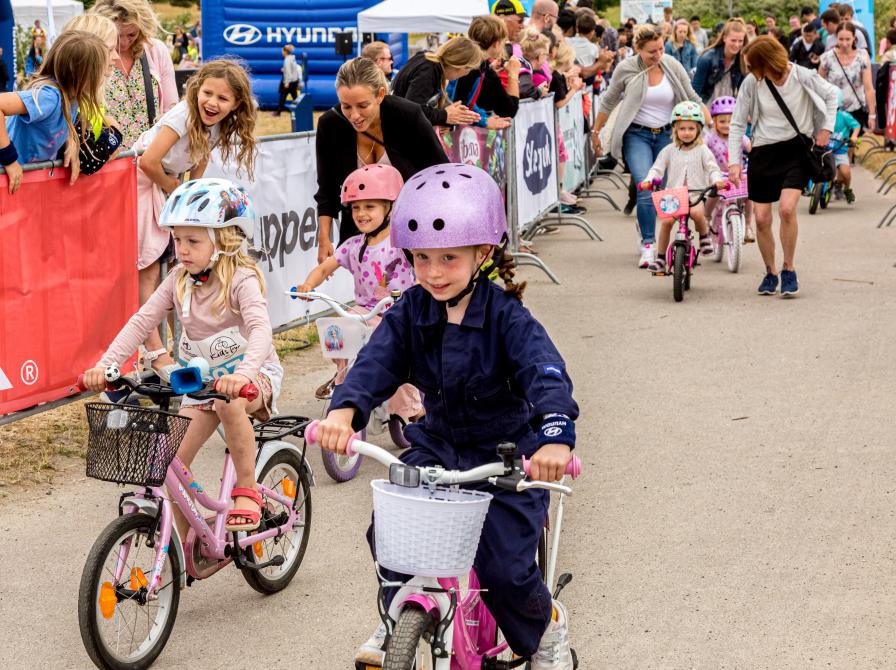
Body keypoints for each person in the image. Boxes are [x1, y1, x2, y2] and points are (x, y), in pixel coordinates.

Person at [314, 164, 579, 669]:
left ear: (483, 254)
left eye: (448, 259)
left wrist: (554, 438)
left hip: (504, 459)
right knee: (392, 532)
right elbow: (375, 362)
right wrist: (345, 411)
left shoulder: (506, 317)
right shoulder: (411, 310)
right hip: (437, 446)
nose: (433, 273)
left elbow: (545, 374)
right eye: (420, 259)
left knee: (505, 570)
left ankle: (547, 630)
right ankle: (398, 615)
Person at [83, 178, 282, 536]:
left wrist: (246, 374)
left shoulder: (241, 278)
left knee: (229, 405)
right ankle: (175, 548)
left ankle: (248, 489)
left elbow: (260, 329)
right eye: (177, 239)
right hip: (204, 382)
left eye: (193, 240)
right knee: (169, 462)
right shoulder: (179, 278)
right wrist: (106, 365)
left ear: (224, 240)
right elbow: (143, 320)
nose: (183, 249)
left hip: (253, 377)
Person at [134, 59, 257, 377]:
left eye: (222, 98)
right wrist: (179, 195)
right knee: (148, 268)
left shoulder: (216, 126)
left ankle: (184, 344)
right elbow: (148, 161)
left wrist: (190, 200)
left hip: (168, 186)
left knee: (182, 265)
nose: (212, 102)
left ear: (236, 104)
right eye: (208, 93)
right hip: (142, 182)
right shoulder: (183, 115)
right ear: (196, 89)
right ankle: (154, 350)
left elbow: (197, 170)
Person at [293, 164, 422, 415]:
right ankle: (343, 379)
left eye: (370, 206)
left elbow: (425, 266)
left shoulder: (402, 242)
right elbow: (324, 268)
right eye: (355, 208)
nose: (361, 213)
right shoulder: (353, 245)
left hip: (402, 313)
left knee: (399, 361)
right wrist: (308, 285)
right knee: (340, 330)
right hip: (366, 311)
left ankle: (413, 411)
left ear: (390, 208)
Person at [727, 36, 838, 298]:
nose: (750, 70)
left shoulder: (802, 75)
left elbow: (832, 95)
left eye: (753, 64)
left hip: (796, 150)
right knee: (763, 219)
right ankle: (771, 271)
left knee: (787, 209)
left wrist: (826, 129)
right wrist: (734, 161)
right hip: (764, 152)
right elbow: (737, 123)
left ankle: (789, 269)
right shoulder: (752, 83)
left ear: (767, 62)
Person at [591, 24, 707, 268]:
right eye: (651, 52)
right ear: (638, 49)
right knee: (646, 184)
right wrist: (596, 131)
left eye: (661, 49)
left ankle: (652, 229)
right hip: (637, 135)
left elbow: (691, 96)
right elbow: (609, 100)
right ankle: (648, 244)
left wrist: (711, 121)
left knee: (665, 192)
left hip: (668, 135)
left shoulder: (672, 65)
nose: (657, 55)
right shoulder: (626, 68)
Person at [314, 57, 448, 263]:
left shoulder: (408, 115)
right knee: (371, 294)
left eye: (363, 105)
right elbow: (327, 189)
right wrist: (324, 238)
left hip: (415, 230)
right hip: (364, 238)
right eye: (346, 106)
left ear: (380, 95)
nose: (354, 115)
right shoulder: (330, 125)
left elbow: (439, 172)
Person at [0, 31, 110, 194]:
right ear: (85, 75)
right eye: (103, 69)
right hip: (5, 177)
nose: (107, 73)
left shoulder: (71, 97)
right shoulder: (50, 97)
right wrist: (9, 160)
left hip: (23, 182)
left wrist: (70, 141)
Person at [640, 101, 726, 274]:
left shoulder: (703, 150)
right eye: (682, 129)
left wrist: (717, 180)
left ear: (698, 130)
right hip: (673, 195)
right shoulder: (669, 150)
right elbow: (657, 168)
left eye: (691, 129)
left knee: (697, 214)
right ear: (675, 130)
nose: (686, 133)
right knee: (666, 223)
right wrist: (649, 179)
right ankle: (661, 258)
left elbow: (712, 168)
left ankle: (704, 237)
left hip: (695, 194)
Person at [92, 0, 179, 150]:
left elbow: (171, 109)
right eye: (118, 36)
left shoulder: (155, 50)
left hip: (151, 157)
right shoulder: (92, 54)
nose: (124, 42)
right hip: (108, 160)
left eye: (132, 34)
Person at [390, 36, 483, 127]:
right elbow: (412, 111)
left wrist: (448, 119)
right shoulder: (428, 71)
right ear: (461, 66)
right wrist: (445, 116)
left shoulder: (429, 60)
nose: (467, 74)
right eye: (469, 69)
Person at [703, 95, 755, 242]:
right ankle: (706, 217)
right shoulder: (711, 137)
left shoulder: (739, 136)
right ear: (715, 122)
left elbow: (750, 147)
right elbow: (702, 148)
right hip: (717, 175)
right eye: (722, 121)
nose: (727, 125)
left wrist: (755, 152)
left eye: (731, 121)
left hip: (738, 175)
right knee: (714, 194)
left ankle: (748, 225)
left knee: (748, 195)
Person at [453, 15, 520, 121]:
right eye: (504, 41)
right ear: (496, 44)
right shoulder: (478, 68)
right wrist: (513, 74)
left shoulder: (470, 62)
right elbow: (509, 111)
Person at [819, 22, 875, 131]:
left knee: (854, 145)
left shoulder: (862, 56)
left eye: (848, 39)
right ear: (836, 38)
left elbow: (868, 87)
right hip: (833, 112)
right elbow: (818, 86)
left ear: (854, 38)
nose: (844, 43)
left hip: (856, 109)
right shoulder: (827, 58)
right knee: (834, 146)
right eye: (841, 39)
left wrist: (872, 114)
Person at [692, 18, 747, 103]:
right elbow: (695, 90)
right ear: (724, 38)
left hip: (730, 110)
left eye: (740, 41)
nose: (737, 45)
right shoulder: (707, 59)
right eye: (733, 40)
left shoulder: (741, 60)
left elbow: (743, 92)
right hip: (707, 107)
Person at [828, 90, 860, 203]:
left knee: (845, 173)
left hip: (840, 150)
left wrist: (854, 137)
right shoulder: (822, 114)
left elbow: (856, 126)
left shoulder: (844, 116)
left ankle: (847, 189)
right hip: (825, 150)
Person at [566, 11, 600, 82]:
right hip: (586, 81)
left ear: (577, 28)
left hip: (569, 78)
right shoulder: (594, 48)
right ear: (592, 32)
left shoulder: (566, 41)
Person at [274, 44, 300, 116]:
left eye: (282, 51)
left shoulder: (287, 60)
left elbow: (288, 72)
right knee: (294, 97)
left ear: (285, 52)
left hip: (289, 82)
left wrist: (286, 83)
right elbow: (294, 70)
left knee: (283, 97)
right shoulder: (292, 59)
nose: (282, 52)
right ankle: (300, 109)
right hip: (294, 81)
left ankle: (278, 112)